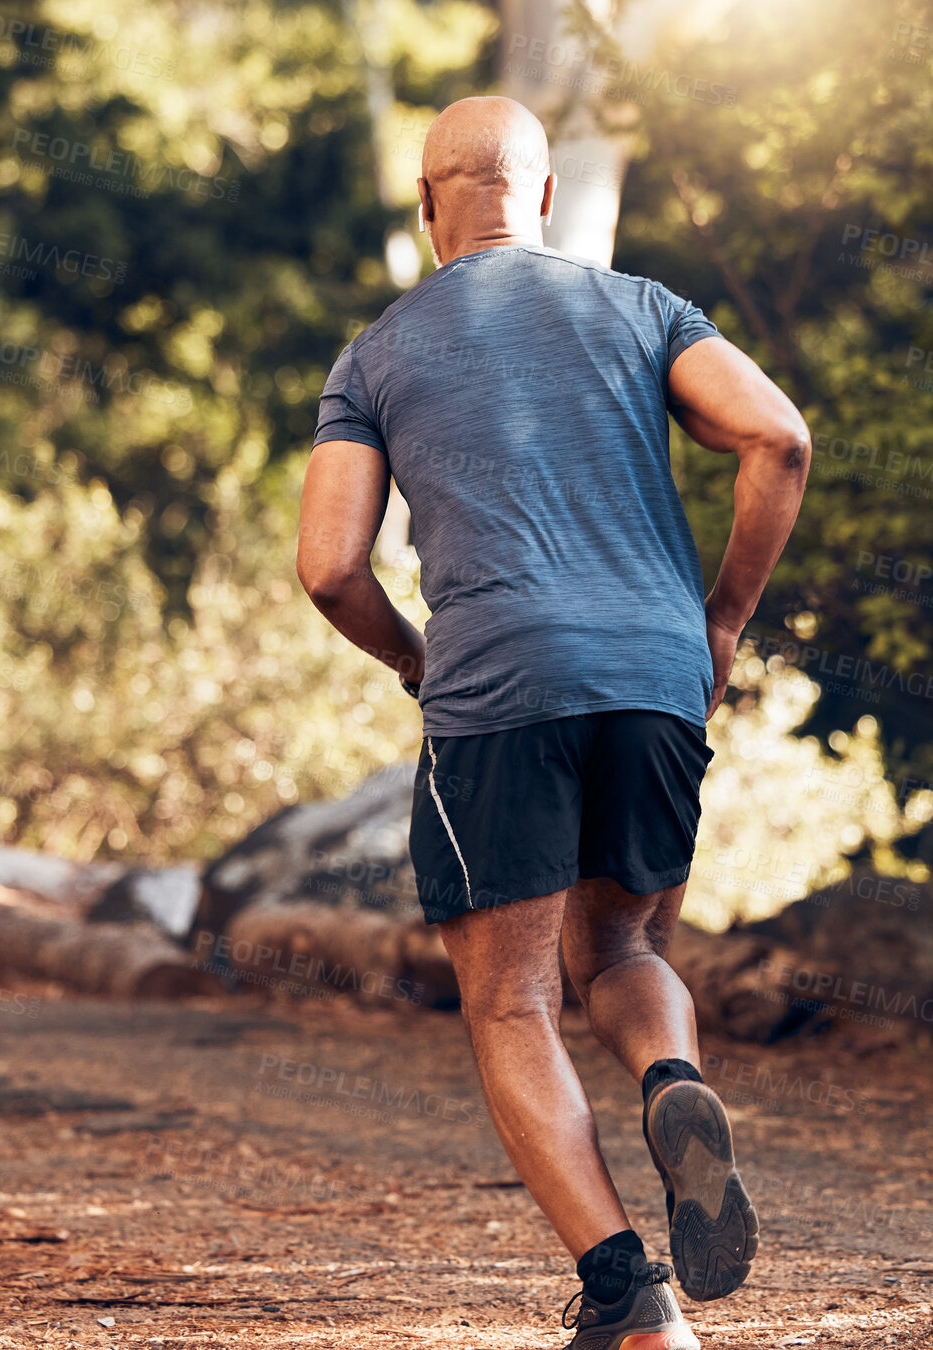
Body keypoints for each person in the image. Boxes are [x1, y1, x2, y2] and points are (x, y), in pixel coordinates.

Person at [296, 96, 810, 1349]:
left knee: (512, 1003)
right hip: (651, 677)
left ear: (429, 209)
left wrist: (417, 658)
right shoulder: (642, 310)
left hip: (498, 693)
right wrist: (722, 622)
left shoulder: (375, 355)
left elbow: (327, 566)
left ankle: (631, 1301)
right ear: (539, 197)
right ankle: (673, 1081)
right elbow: (777, 437)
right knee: (623, 951)